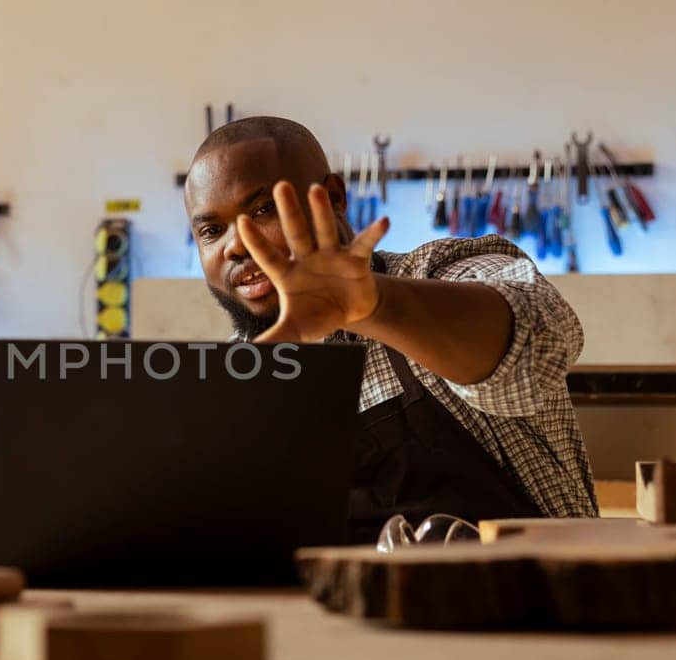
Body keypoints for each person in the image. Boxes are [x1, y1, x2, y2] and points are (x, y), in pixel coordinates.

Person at [183, 116, 597, 541]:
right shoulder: (231, 383)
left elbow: (537, 352)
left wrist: (372, 307)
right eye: (212, 231)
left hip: (535, 601)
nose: (235, 244)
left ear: (333, 198)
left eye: (263, 210)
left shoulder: (440, 274)